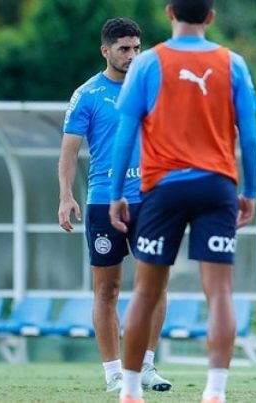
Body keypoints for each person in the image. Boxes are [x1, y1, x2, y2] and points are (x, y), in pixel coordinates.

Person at [107, 0, 256, 402]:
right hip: (217, 186)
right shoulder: (234, 63)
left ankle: (130, 390)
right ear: (210, 17)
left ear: (168, 12)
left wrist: (114, 194)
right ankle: (214, 390)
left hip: (163, 189)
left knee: (146, 291)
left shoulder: (147, 63)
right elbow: (249, 135)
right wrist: (251, 191)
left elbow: (125, 135)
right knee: (220, 293)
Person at [57, 17, 172, 393]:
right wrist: (65, 195)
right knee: (107, 290)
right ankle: (113, 373)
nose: (132, 55)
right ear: (105, 50)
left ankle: (148, 366)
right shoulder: (87, 94)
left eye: (137, 48)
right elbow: (69, 152)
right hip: (104, 201)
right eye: (124, 48)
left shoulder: (152, 88)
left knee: (154, 285)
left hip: (151, 200)